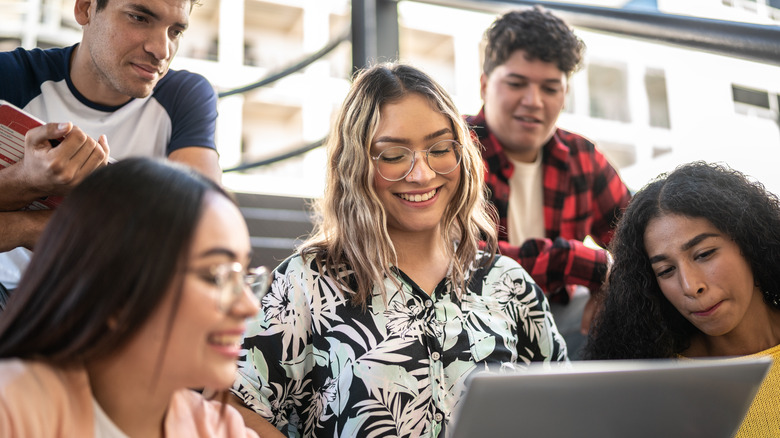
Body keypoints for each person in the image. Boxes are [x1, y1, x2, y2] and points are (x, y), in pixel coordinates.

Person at [228, 63, 568, 437]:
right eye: (393, 156)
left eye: (440, 149)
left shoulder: (509, 284)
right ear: (354, 165)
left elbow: (568, 407)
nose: (421, 174)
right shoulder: (305, 283)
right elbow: (230, 406)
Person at [0, 158, 268, 437]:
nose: (250, 306)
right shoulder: (12, 413)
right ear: (116, 291)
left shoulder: (223, 430)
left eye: (246, 277)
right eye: (218, 277)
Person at [0, 0, 221, 305]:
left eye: (175, 31)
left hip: (117, 304)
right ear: (86, 8)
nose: (162, 49)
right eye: (139, 18)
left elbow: (207, 232)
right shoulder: (10, 76)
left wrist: (24, 227)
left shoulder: (185, 95)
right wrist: (27, 180)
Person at [466, 6, 631, 355]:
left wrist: (614, 281)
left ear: (564, 94)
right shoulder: (451, 149)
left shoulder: (582, 158)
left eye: (550, 88)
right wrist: (578, 262)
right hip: (468, 322)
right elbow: (458, 256)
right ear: (484, 85)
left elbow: (639, 240)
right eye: (516, 83)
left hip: (557, 323)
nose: (533, 102)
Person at [584, 161, 780, 436]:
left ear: (749, 240)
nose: (690, 285)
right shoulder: (654, 387)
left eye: (704, 254)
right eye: (665, 271)